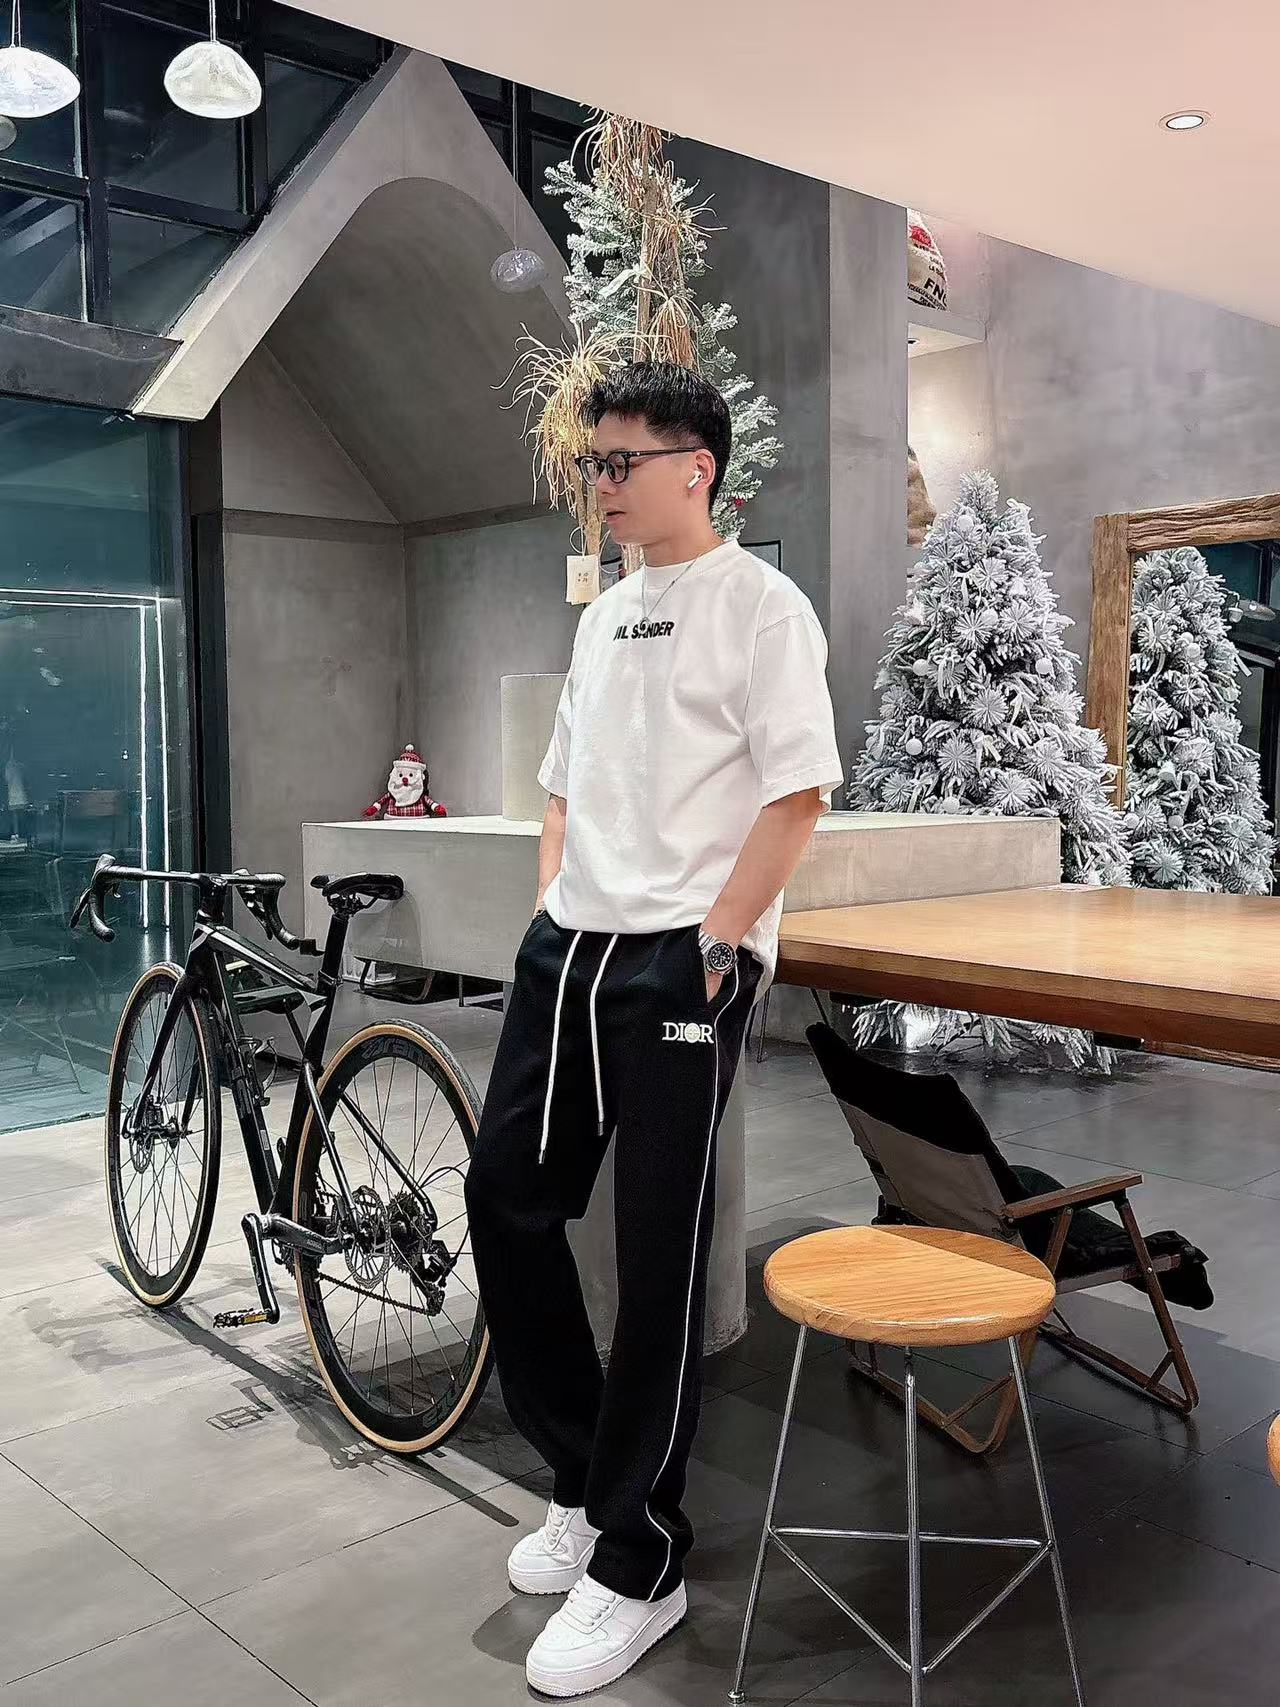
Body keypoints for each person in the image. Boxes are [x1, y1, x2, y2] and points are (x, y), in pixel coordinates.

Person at [464, 361, 842, 1698]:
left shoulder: (761, 608)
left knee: (659, 1255)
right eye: (595, 464)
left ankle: (640, 1559)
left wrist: (718, 941)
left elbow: (799, 793)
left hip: (684, 958)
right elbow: (564, 782)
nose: (602, 486)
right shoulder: (607, 616)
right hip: (571, 950)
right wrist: (552, 898)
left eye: (621, 463)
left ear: (698, 468)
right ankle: (584, 1479)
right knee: (506, 1197)